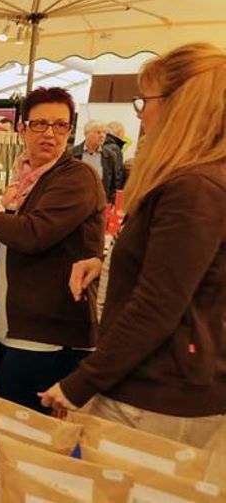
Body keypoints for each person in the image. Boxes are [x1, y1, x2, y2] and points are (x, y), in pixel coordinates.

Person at [40, 43, 226, 449]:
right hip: (157, 386)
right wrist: (106, 263)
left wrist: (79, 384)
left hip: (157, 397)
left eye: (146, 100)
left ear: (182, 104)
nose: (141, 113)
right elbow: (181, 268)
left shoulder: (195, 188)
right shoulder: (197, 181)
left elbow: (158, 305)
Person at [0, 87, 106, 413]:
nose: (50, 134)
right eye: (40, 124)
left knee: (21, 435)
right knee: (7, 426)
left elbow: (34, 235)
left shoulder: (77, 178)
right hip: (14, 328)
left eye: (60, 125)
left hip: (47, 338)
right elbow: (12, 250)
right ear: (22, 129)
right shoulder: (26, 181)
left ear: (70, 130)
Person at [71, 120, 123, 203]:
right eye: (98, 132)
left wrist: (110, 202)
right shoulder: (72, 154)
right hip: (76, 200)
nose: (102, 136)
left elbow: (115, 183)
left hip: (99, 202)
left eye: (104, 132)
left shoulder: (110, 156)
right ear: (86, 134)